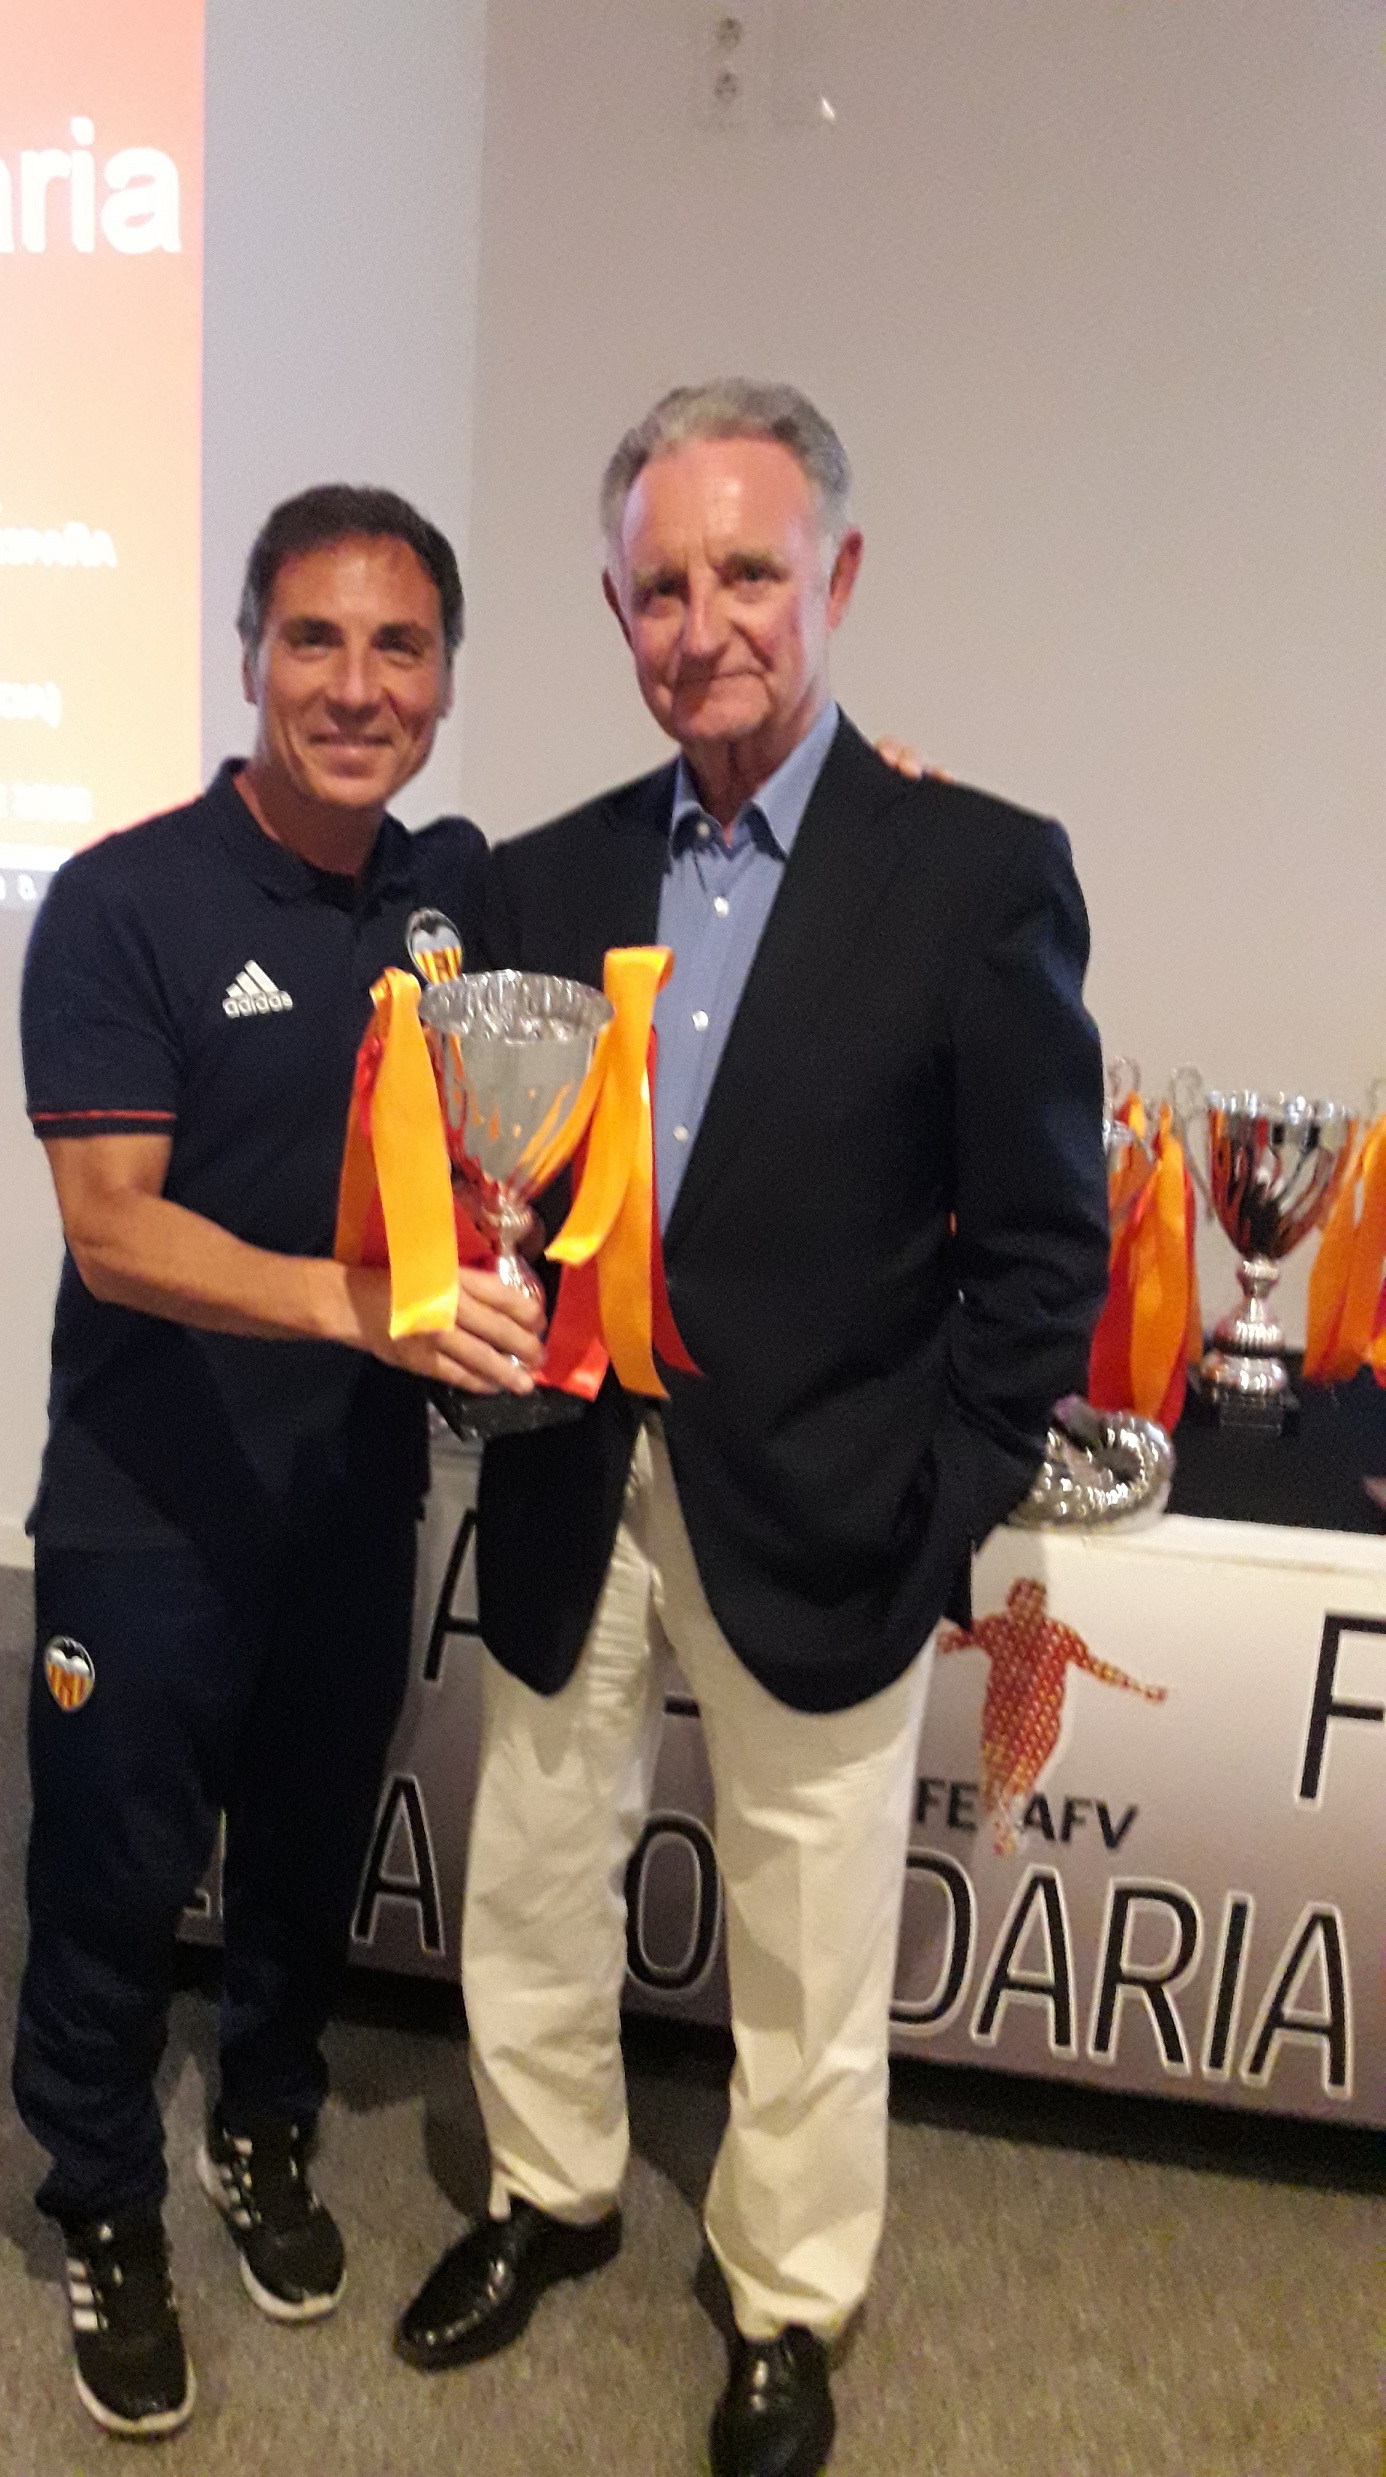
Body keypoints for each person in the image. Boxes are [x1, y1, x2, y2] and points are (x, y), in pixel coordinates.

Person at [395, 382, 1111, 2477]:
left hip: (829, 1504)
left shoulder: (975, 873)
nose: (699, 624)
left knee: (808, 1942)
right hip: (568, 1476)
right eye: (657, 587)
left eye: (745, 574)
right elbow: (486, 1187)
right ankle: (547, 2191)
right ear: (613, 608)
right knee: (534, 1870)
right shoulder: (543, 877)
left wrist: (941, 1501)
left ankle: (786, 2299)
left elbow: (1040, 1253)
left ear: (836, 577)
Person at [14, 484, 541, 2439]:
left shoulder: (454, 891)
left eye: (398, 647)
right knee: (112, 1870)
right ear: (249, 655)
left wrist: (860, 774)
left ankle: (261, 2121)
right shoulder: (122, 902)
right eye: (312, 638)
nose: (353, 684)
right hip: (146, 1506)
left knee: (307, 1859)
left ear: (445, 680)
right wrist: (353, 1307)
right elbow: (111, 1230)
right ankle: (101, 2196)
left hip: (352, 1500)